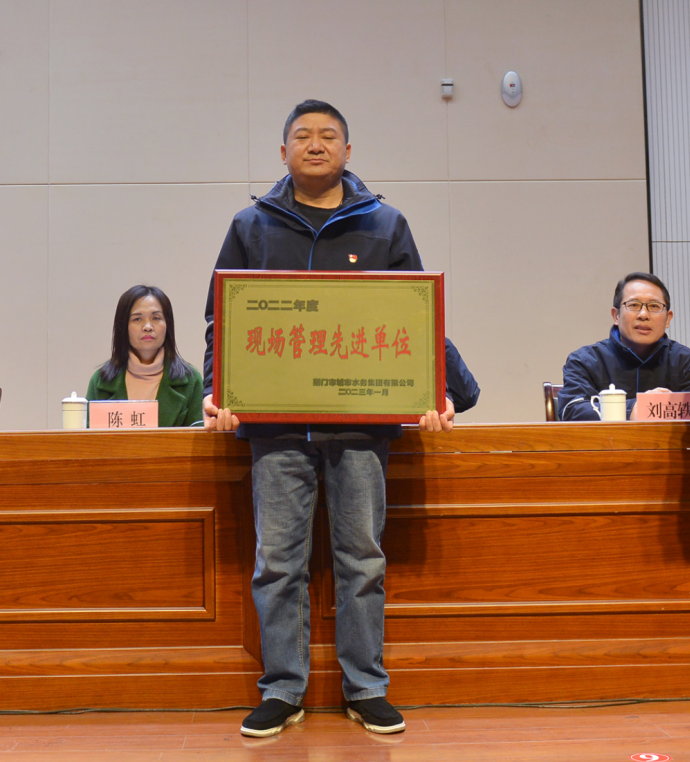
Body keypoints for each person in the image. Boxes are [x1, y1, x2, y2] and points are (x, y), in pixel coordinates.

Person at [201, 100, 480, 738]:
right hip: (276, 428)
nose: (316, 144)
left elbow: (417, 316)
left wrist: (443, 390)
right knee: (277, 561)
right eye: (302, 135)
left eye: (329, 135)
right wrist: (219, 390)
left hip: (361, 425)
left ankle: (367, 687)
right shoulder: (251, 226)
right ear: (283, 153)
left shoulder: (384, 224)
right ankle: (282, 689)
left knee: (362, 559)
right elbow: (223, 317)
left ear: (348, 151)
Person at [558, 272, 690, 421]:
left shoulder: (682, 359)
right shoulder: (584, 360)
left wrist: (665, 406)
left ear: (668, 319)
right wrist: (635, 409)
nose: (643, 315)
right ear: (616, 315)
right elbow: (571, 409)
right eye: (634, 305)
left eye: (654, 306)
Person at [86, 285, 203, 427]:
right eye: (137, 319)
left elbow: (199, 438)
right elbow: (88, 437)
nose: (148, 326)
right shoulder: (100, 381)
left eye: (156, 318)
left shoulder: (191, 381)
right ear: (123, 326)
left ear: (168, 325)